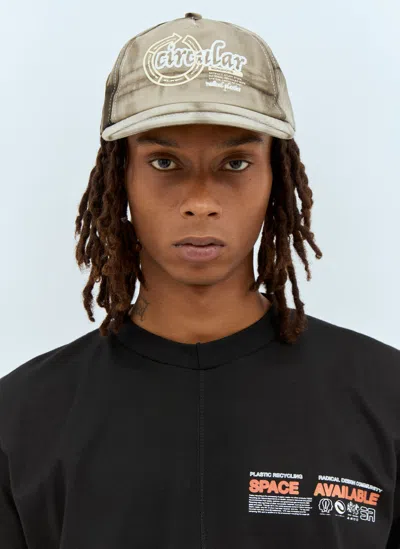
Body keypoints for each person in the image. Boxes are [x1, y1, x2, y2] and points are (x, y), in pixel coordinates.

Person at [0, 12, 399, 549]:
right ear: (121, 177)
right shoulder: (22, 417)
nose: (201, 202)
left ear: (275, 177)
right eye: (165, 162)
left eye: (235, 164)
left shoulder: (385, 396)